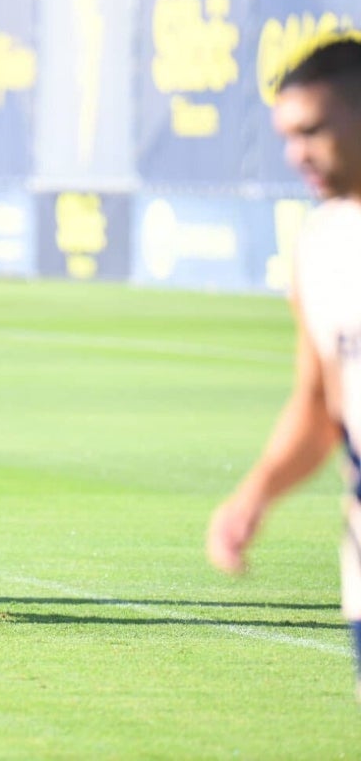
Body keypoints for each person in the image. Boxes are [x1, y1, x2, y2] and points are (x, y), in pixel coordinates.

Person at [205, 35, 361, 699]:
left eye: (314, 130)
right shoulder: (321, 243)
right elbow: (321, 404)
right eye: (287, 136)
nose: (298, 153)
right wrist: (255, 494)